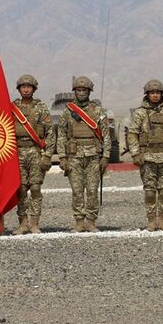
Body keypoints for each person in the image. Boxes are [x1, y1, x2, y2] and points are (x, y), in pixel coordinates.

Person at [127, 79, 163, 230]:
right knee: (150, 192)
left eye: (157, 93)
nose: (155, 95)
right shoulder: (140, 113)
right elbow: (132, 134)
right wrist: (135, 154)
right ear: (147, 94)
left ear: (162, 95)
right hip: (147, 158)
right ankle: (152, 220)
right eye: (152, 93)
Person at [56, 76, 111, 232]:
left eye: (84, 90)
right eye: (78, 90)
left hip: (94, 156)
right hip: (74, 157)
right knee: (77, 191)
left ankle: (91, 221)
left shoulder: (98, 111)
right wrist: (62, 157)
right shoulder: (67, 112)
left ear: (89, 91)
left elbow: (106, 135)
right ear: (75, 91)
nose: (81, 93)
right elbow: (61, 135)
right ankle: (79, 221)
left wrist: (106, 156)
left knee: (92, 191)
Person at [11, 74, 55, 234]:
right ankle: (23, 223)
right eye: (23, 87)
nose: (26, 89)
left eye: (29, 87)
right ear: (19, 89)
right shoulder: (12, 108)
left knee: (35, 188)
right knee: (21, 189)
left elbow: (50, 133)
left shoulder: (41, 108)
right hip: (17, 153)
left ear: (34, 89)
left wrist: (47, 155)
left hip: (36, 152)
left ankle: (35, 223)